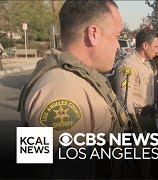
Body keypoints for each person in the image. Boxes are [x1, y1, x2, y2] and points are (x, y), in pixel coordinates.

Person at [18, 0, 130, 178]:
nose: (118, 46)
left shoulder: (73, 82)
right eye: (116, 36)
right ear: (93, 33)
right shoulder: (64, 90)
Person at [115, 29, 158, 133]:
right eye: (156, 47)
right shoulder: (129, 65)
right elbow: (124, 99)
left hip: (149, 116)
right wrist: (135, 127)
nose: (157, 50)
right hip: (138, 119)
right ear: (145, 45)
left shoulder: (146, 63)